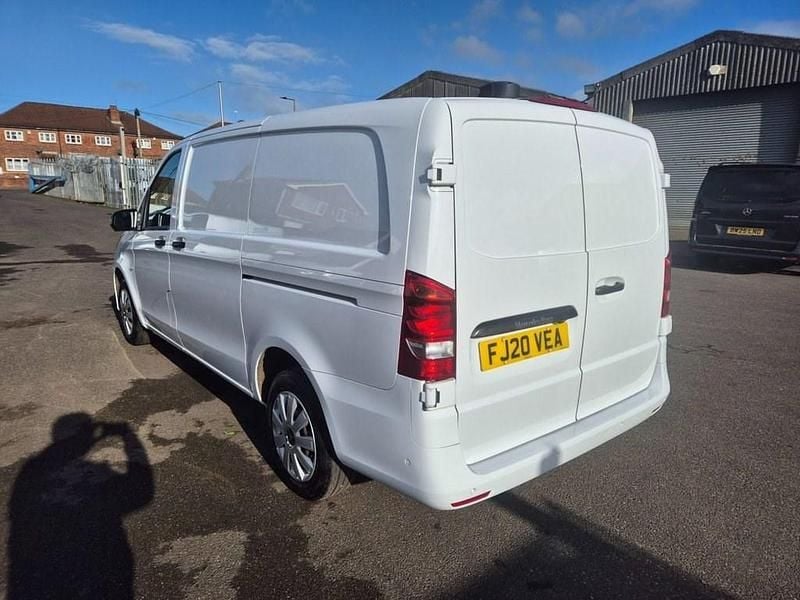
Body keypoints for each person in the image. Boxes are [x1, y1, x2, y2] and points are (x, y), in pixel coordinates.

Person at [7, 412, 154, 600]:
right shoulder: (92, 477)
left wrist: (92, 436)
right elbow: (141, 490)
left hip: (33, 582)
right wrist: (129, 437)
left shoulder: (31, 471)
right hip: (96, 580)